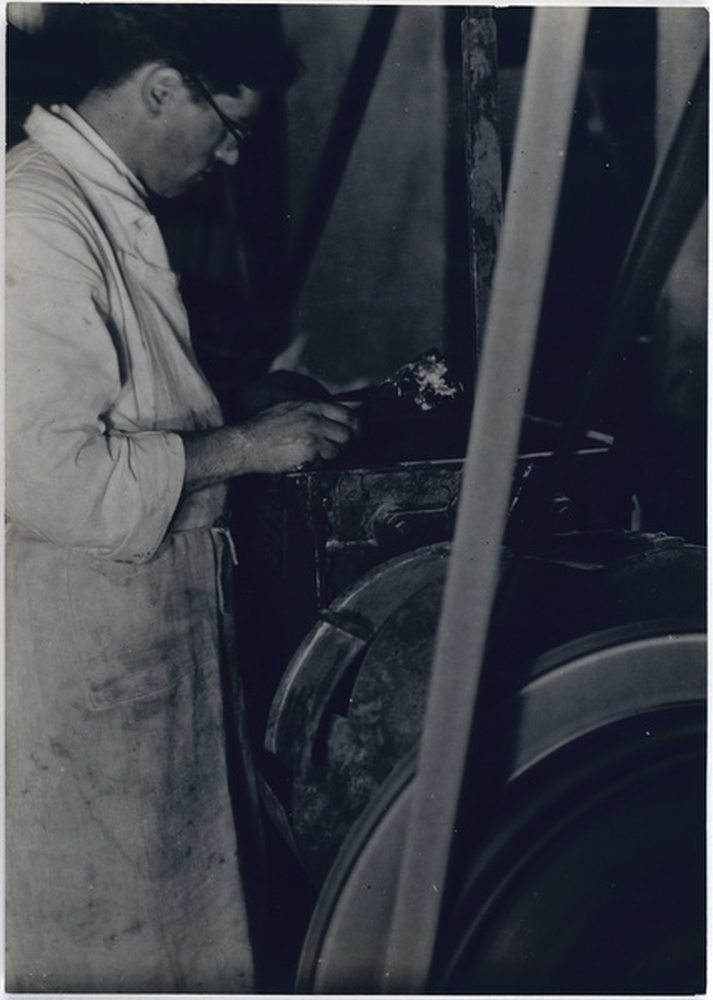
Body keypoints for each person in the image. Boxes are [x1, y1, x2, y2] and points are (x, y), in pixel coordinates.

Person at [5, 5, 359, 992]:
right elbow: (47, 480)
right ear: (162, 87)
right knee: (102, 949)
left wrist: (235, 403)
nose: (233, 154)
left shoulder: (100, 201)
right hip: (80, 666)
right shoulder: (35, 217)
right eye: (227, 124)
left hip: (137, 655)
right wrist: (243, 445)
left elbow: (120, 402)